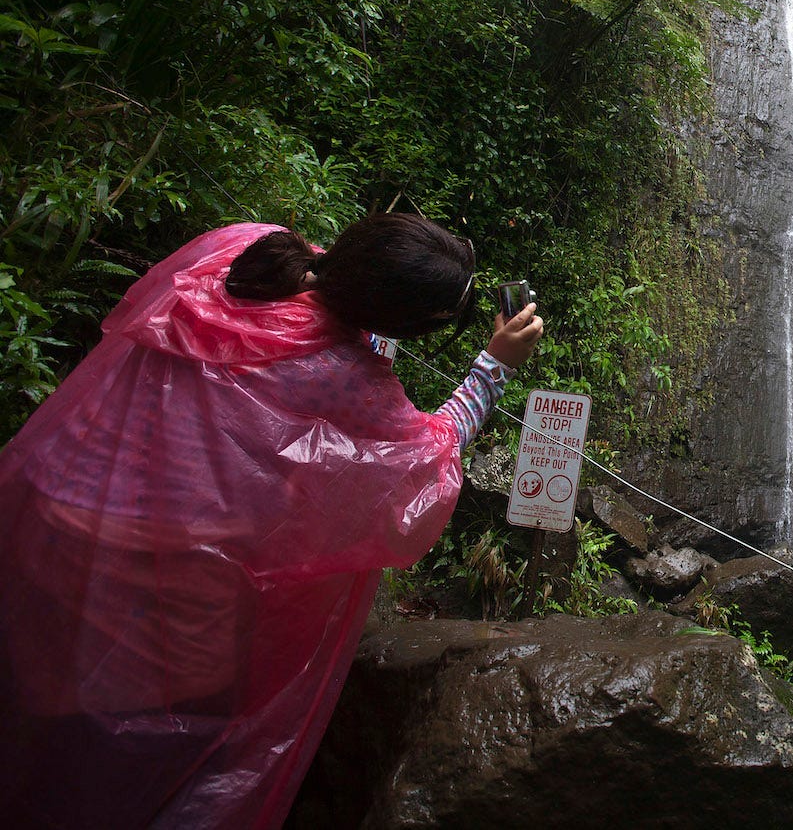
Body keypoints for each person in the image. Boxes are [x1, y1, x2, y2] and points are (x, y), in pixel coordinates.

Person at [0, 215, 544, 830]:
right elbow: (424, 454)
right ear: (400, 322)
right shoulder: (339, 374)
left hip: (61, 496)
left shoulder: (246, 247)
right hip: (158, 568)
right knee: (141, 735)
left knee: (34, 690)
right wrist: (494, 366)